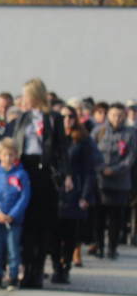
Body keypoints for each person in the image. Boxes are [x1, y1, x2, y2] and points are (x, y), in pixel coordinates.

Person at [2, 78, 70, 288]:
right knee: (27, 222)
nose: (24, 99)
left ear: (36, 95)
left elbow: (62, 149)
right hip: (25, 169)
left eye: (27, 95)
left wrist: (66, 174)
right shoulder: (22, 119)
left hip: (44, 172)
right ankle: (26, 269)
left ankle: (38, 271)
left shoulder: (53, 118)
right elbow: (11, 142)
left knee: (43, 223)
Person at [54, 105, 97, 282]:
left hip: (73, 192)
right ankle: (56, 266)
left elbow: (89, 171)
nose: (67, 120)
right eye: (63, 116)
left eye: (70, 116)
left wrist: (86, 195)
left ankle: (66, 266)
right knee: (55, 233)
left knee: (70, 232)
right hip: (55, 190)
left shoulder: (82, 140)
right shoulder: (54, 139)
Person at [0, 139, 31, 290]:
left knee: (13, 249)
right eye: (5, 154)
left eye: (11, 155)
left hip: (13, 220)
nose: (8, 158)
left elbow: (24, 197)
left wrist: (13, 214)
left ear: (16, 155)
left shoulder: (21, 174)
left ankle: (13, 276)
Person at [90, 102, 136, 259]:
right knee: (99, 217)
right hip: (100, 181)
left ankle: (112, 247)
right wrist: (101, 168)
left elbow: (130, 158)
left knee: (117, 217)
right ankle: (99, 246)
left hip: (120, 182)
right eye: (114, 115)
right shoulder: (99, 131)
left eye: (120, 115)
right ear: (108, 115)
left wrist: (114, 170)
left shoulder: (130, 134)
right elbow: (91, 153)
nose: (117, 118)